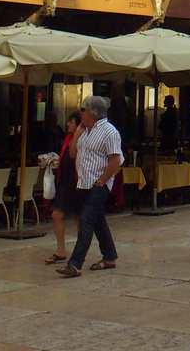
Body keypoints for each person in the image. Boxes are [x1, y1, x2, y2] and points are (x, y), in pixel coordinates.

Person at [57, 96, 124, 277]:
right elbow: (72, 154)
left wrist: (102, 180)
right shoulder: (85, 131)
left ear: (93, 113)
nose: (80, 113)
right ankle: (109, 256)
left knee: (86, 220)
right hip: (84, 183)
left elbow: (116, 159)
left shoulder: (110, 132)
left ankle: (75, 263)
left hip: (99, 183)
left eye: (83, 110)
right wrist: (77, 134)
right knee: (97, 221)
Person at [45, 112, 80, 265]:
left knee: (79, 218)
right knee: (56, 215)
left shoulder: (84, 140)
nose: (67, 125)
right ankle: (60, 250)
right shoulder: (67, 139)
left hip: (78, 184)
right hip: (64, 184)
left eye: (71, 122)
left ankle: (80, 252)